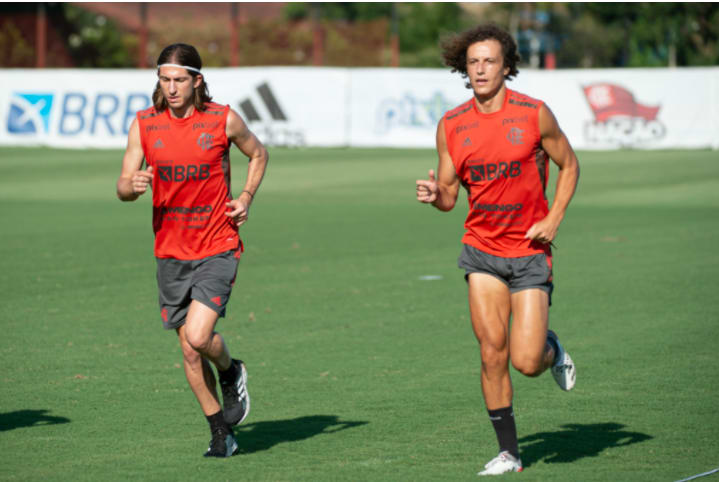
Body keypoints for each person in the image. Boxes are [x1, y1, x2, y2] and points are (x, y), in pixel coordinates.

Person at [416, 24, 579, 476]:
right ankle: (509, 452)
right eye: (474, 62)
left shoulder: (534, 114)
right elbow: (451, 197)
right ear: (464, 70)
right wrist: (436, 195)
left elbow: (570, 165)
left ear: (507, 66)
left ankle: (550, 348)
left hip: (528, 252)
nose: (481, 69)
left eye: (489, 61)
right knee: (492, 351)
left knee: (525, 361)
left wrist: (554, 219)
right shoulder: (452, 124)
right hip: (481, 251)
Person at [116, 43, 268, 458]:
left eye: (179, 80)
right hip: (170, 251)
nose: (171, 88)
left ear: (196, 80)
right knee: (187, 349)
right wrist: (132, 187)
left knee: (199, 337)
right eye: (164, 80)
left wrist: (246, 197)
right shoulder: (145, 124)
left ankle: (230, 367)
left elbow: (258, 153)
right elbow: (123, 184)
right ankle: (221, 431)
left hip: (218, 244)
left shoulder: (222, 119)